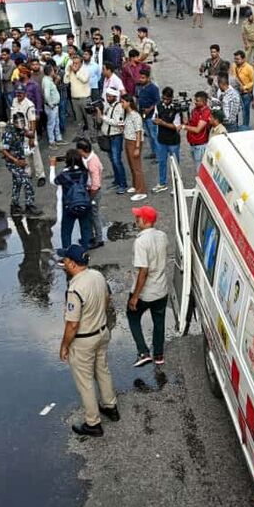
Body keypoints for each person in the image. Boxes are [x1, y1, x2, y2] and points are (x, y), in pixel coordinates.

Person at [58, 244, 118, 437]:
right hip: (102, 333)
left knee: (85, 382)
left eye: (66, 260)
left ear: (73, 264)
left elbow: (72, 325)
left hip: (84, 340)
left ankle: (93, 423)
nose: (64, 263)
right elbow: (107, 298)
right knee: (103, 370)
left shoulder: (75, 288)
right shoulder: (97, 275)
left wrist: (64, 346)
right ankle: (110, 406)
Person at [127, 206, 168, 367]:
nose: (136, 220)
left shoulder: (141, 242)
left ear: (146, 221)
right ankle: (159, 355)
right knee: (159, 322)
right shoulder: (163, 236)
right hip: (161, 290)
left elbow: (143, 271)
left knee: (132, 316)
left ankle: (143, 352)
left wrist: (135, 296)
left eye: (138, 217)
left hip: (146, 292)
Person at [0, 113, 41, 216]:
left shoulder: (21, 129)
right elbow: (3, 150)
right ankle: (29, 205)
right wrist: (15, 161)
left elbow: (30, 134)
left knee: (17, 184)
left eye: (22, 121)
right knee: (27, 182)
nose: (20, 124)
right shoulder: (9, 133)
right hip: (13, 163)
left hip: (20, 160)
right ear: (14, 123)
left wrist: (29, 132)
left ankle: (14, 206)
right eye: (18, 122)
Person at [55, 150, 93, 252]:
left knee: (66, 231)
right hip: (83, 204)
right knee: (85, 229)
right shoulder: (84, 172)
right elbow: (90, 184)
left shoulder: (63, 175)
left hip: (69, 206)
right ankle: (84, 252)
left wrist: (52, 166)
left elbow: (53, 181)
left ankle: (67, 254)